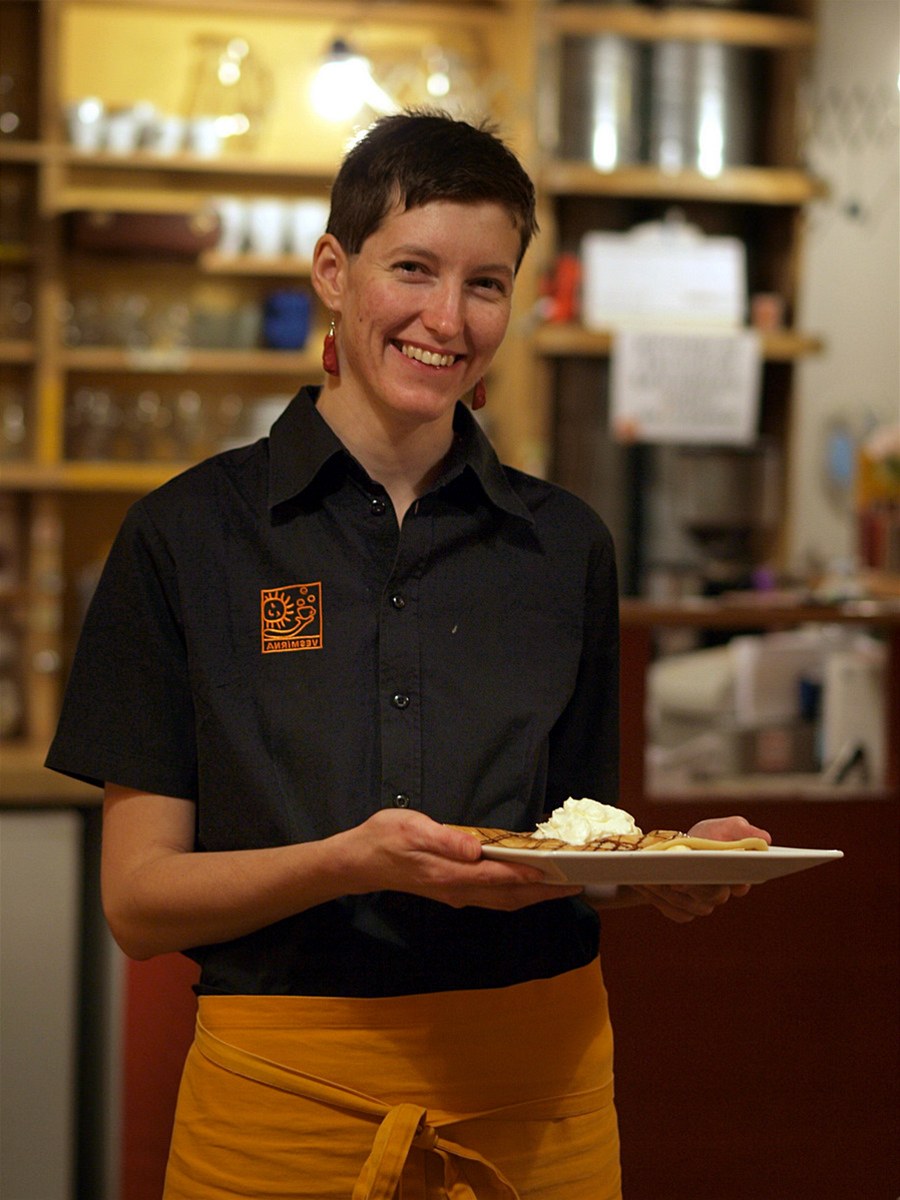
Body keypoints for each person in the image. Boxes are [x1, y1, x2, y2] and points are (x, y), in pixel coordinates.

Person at [46, 110, 770, 1200]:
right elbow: (138, 903)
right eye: (414, 269)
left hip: (541, 1098)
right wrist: (349, 861)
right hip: (280, 1104)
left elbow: (569, 848)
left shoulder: (564, 545)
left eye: (487, 284)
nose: (448, 318)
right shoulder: (185, 536)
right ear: (333, 273)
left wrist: (663, 868)